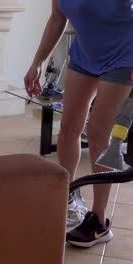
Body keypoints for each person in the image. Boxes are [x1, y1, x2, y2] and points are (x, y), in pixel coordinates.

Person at [24, 0, 133, 247]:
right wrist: (37, 63)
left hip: (124, 57)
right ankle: (68, 194)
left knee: (98, 137)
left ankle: (99, 220)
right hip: (84, 56)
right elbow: (56, 19)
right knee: (68, 130)